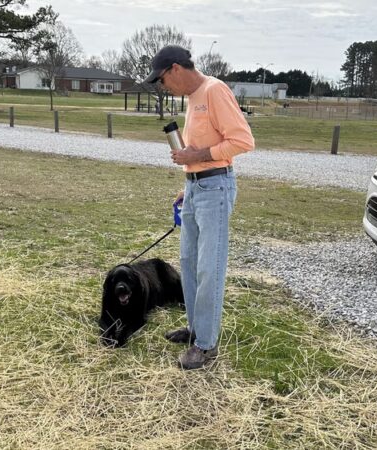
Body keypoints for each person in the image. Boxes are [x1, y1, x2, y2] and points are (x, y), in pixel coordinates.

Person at [144, 45, 254, 370]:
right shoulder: (193, 99)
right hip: (196, 188)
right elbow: (199, 151)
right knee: (189, 262)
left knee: (210, 268)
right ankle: (195, 328)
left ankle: (205, 346)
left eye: (163, 80)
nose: (164, 87)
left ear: (176, 69)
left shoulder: (214, 91)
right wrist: (188, 183)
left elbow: (242, 141)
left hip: (216, 188)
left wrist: (197, 157)